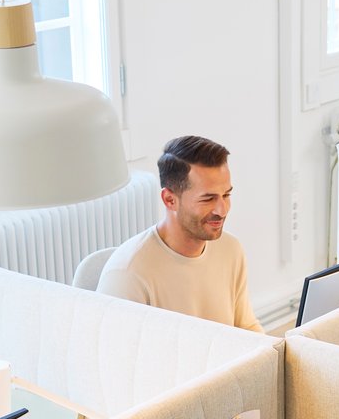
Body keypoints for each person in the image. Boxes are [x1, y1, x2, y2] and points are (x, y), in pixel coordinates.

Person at [97, 134, 264, 332]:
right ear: (170, 200)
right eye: (208, 199)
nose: (222, 210)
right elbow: (119, 359)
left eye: (226, 195)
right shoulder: (128, 274)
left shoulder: (230, 249)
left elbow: (246, 327)